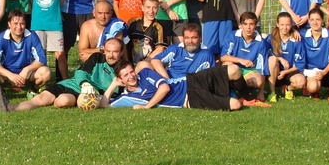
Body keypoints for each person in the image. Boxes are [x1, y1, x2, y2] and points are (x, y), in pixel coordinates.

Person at [0, 38, 124, 112]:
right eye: (108, 51)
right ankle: (10, 107)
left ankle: (48, 99)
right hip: (70, 84)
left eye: (115, 52)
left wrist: (97, 94)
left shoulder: (123, 69)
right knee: (40, 100)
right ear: (104, 50)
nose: (111, 55)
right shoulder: (97, 57)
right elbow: (80, 72)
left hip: (82, 95)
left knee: (63, 101)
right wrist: (85, 84)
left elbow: (119, 92)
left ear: (121, 52)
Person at [100, 61, 245, 111]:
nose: (131, 76)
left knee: (234, 69)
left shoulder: (144, 73)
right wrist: (113, 84)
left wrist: (146, 107)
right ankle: (237, 97)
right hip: (190, 99)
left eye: (131, 72)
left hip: (191, 80)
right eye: (126, 75)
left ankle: (247, 95)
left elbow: (165, 88)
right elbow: (104, 105)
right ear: (121, 79)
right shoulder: (126, 97)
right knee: (235, 104)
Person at [0, 10, 51, 92]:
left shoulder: (32, 36)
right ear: (9, 24)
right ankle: (0, 91)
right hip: (6, 76)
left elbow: (42, 58)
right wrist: (10, 75)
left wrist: (26, 70)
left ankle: (33, 90)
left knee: (46, 73)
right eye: (15, 23)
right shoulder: (1, 37)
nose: (19, 27)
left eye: (22, 23)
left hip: (26, 76)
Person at [27, 0, 69, 81]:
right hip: (38, 22)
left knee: (60, 54)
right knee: (39, 55)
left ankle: (65, 82)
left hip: (54, 22)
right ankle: (40, 82)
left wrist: (53, 10)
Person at [219, 12, 272, 106]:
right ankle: (231, 93)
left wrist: (261, 92)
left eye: (251, 24)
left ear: (255, 25)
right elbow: (223, 57)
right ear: (241, 25)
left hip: (249, 71)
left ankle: (244, 94)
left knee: (258, 81)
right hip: (235, 67)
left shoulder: (261, 43)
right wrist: (241, 60)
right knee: (226, 65)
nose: (248, 27)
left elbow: (262, 69)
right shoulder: (233, 36)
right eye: (245, 24)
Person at [302, 7, 329, 105]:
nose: (315, 22)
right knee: (313, 87)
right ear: (308, 21)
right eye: (312, 19)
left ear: (322, 21)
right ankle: (315, 90)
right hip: (312, 72)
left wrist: (323, 72)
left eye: (318, 19)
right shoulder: (302, 35)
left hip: (327, 71)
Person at [150, 23, 216, 79]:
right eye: (187, 38)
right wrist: (167, 80)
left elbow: (211, 77)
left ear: (200, 38)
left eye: (194, 38)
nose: (190, 41)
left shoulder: (206, 54)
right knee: (145, 66)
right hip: (170, 84)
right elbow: (155, 60)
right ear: (183, 38)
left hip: (191, 86)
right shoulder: (175, 49)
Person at [268, 12, 306, 101]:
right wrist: (280, 59)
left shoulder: (297, 40)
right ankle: (272, 93)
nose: (285, 28)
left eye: (288, 25)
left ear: (291, 25)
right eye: (282, 25)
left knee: (301, 82)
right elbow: (264, 55)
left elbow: (300, 63)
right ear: (277, 24)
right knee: (272, 59)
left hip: (289, 72)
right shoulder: (270, 38)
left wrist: (285, 72)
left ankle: (288, 89)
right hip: (274, 72)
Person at [126, 0, 167, 66]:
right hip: (130, 63)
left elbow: (160, 48)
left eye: (154, 8)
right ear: (142, 8)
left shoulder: (159, 27)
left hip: (148, 64)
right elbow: (124, 43)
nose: (151, 11)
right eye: (148, 7)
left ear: (158, 9)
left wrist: (145, 61)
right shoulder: (132, 23)